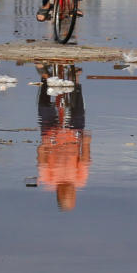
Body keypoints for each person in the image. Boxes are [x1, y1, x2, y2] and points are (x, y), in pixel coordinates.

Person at [36, 64, 91, 211]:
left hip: (51, 137)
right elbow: (85, 160)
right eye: (71, 196)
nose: (70, 193)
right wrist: (86, 143)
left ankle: (45, 77)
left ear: (58, 194)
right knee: (78, 113)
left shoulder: (48, 181)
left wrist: (43, 146)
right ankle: (76, 80)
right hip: (73, 137)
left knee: (44, 109)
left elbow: (42, 161)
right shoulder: (79, 181)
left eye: (67, 196)